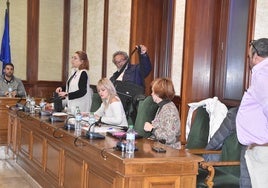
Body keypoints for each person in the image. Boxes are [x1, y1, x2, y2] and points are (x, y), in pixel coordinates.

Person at [236, 38, 268, 188]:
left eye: (249, 57)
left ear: (256, 56)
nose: (249, 60)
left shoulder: (263, 76)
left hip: (260, 150)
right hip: (256, 148)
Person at [143, 78, 181, 149]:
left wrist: (152, 129)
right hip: (160, 147)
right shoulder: (163, 106)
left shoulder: (169, 110)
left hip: (169, 150)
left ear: (159, 94)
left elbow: (169, 138)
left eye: (153, 92)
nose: (151, 94)